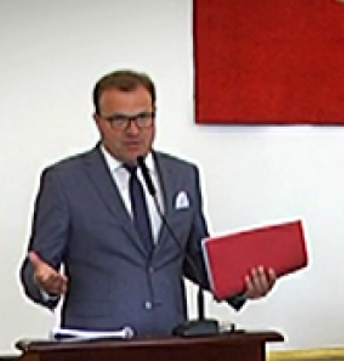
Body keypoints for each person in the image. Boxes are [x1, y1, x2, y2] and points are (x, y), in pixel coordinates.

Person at [20, 69, 274, 336]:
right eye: (119, 120)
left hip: (170, 342)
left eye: (143, 118)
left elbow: (197, 259)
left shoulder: (183, 176)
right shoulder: (64, 181)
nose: (133, 131)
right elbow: (37, 265)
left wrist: (243, 285)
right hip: (97, 347)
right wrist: (44, 284)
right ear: (98, 121)